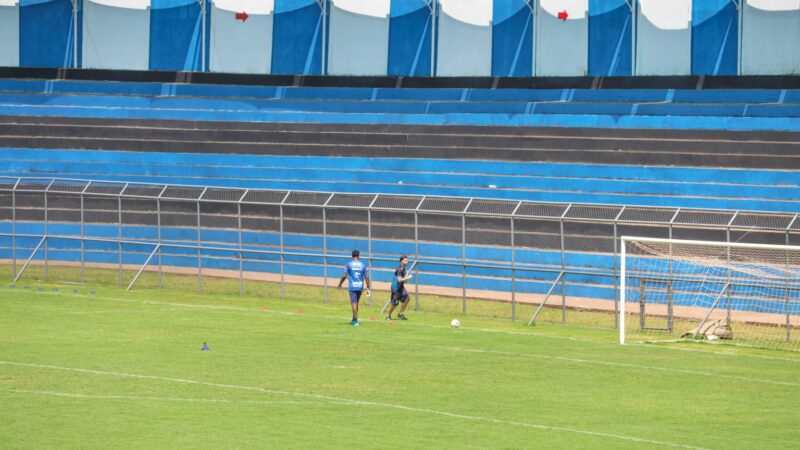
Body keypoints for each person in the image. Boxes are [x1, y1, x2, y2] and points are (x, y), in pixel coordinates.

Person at [338, 250, 370, 326]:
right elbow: (367, 276)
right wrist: (368, 286)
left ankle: (355, 321)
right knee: (356, 303)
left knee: (354, 303)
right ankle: (353, 319)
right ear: (358, 256)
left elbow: (344, 275)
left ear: (352, 256)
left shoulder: (348, 264)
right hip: (360, 286)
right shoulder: (363, 265)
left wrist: (340, 284)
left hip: (352, 286)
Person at [386, 255, 412, 320]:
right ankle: (388, 315)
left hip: (401, 288)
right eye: (406, 260)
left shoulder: (403, 269)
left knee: (407, 299)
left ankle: (400, 313)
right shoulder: (399, 269)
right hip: (396, 289)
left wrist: (405, 280)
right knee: (394, 304)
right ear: (401, 261)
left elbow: (403, 280)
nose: (407, 261)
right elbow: (399, 280)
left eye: (407, 260)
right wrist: (408, 277)